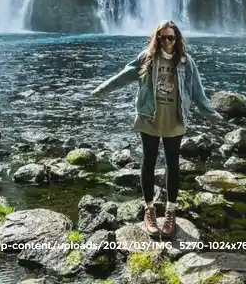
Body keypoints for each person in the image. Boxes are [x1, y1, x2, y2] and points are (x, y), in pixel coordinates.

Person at [91, 20, 224, 238]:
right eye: (162, 37)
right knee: (148, 161)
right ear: (157, 38)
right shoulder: (147, 58)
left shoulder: (186, 62)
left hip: (175, 119)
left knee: (173, 163)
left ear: (177, 38)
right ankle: (149, 209)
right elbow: (124, 75)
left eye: (171, 37)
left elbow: (198, 92)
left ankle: (170, 211)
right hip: (149, 117)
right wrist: (101, 90)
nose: (167, 41)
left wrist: (212, 113)